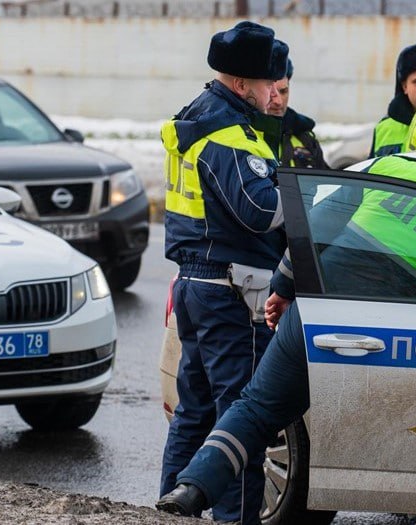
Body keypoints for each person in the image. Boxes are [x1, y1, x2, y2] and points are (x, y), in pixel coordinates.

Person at [156, 128, 416, 523]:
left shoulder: (390, 168)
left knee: (255, 409)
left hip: (319, 316)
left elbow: (313, 229)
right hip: (392, 345)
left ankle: (190, 489)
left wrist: (283, 289)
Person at [158, 20, 289, 525]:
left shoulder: (197, 116)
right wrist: (304, 203)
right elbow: (257, 211)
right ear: (242, 84)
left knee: (194, 413)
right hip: (230, 289)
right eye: (267, 83)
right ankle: (235, 520)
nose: (274, 91)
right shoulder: (227, 133)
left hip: (197, 284)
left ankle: (171, 511)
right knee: (239, 418)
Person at [255, 59, 330, 169]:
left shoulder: (304, 137)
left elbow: (324, 183)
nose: (278, 101)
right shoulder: (242, 135)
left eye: (283, 91)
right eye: (271, 93)